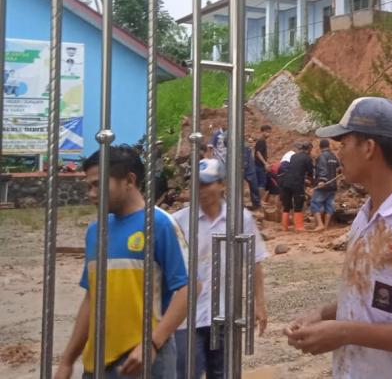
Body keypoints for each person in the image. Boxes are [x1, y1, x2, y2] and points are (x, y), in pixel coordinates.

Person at [285, 98, 392, 378]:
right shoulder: (365, 218)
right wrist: (324, 314)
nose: (339, 154)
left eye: (344, 144)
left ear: (368, 148)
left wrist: (344, 332)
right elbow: (370, 302)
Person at [55, 145, 191, 379]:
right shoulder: (95, 232)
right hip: (97, 362)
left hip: (144, 361)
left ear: (129, 180)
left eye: (98, 184)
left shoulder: (159, 224)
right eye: (88, 186)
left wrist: (153, 344)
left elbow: (188, 289)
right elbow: (92, 298)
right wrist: (68, 360)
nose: (91, 193)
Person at [172, 159, 268, 379]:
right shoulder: (178, 221)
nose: (201, 190)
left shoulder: (239, 219)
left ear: (222, 184)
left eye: (207, 183)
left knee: (223, 373)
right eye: (196, 184)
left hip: (225, 313)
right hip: (186, 317)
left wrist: (258, 304)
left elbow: (255, 261)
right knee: (187, 372)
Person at [310, 139, 342, 232]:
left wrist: (321, 180)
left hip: (323, 185)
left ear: (320, 147)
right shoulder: (334, 157)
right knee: (328, 205)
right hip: (332, 185)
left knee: (314, 203)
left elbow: (322, 169)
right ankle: (326, 227)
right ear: (329, 146)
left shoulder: (321, 157)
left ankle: (320, 225)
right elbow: (339, 169)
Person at [281, 142, 313, 232]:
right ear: (309, 149)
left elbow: (295, 168)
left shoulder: (294, 156)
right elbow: (310, 172)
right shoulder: (307, 158)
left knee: (286, 206)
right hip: (297, 183)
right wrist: (310, 181)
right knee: (298, 204)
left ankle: (284, 226)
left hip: (286, 182)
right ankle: (298, 227)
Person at [254, 125, 272, 205]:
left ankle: (258, 201)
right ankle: (260, 201)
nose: (269, 134)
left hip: (258, 165)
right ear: (263, 131)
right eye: (267, 132)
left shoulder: (261, 140)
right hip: (259, 166)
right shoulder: (261, 141)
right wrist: (265, 163)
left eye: (269, 132)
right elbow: (258, 153)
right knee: (262, 183)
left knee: (259, 183)